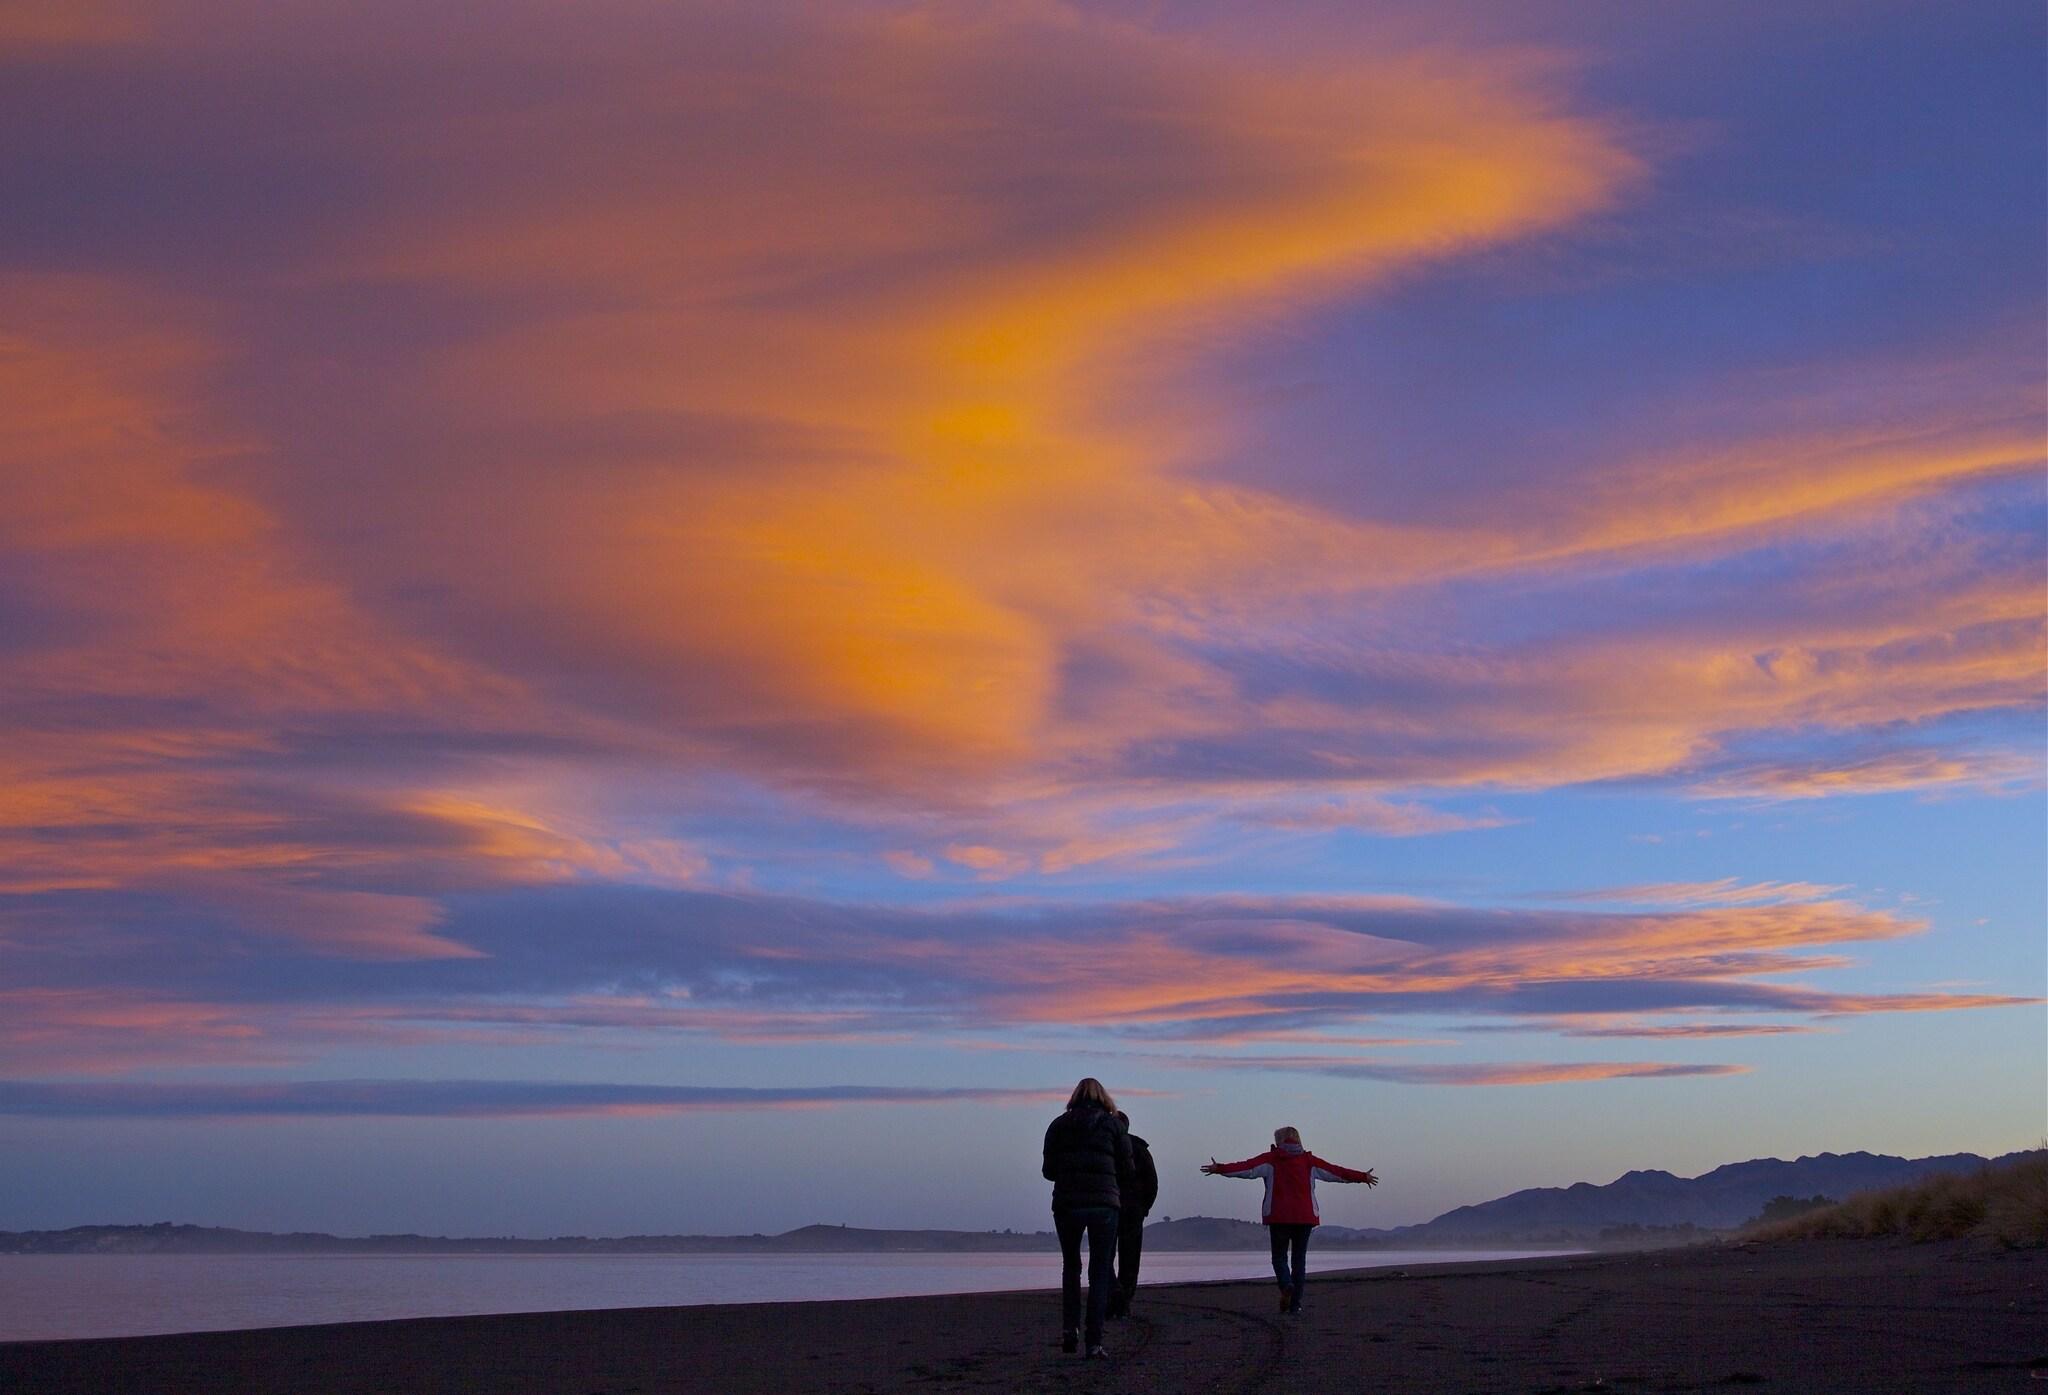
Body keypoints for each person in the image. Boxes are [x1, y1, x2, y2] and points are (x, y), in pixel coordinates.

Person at [1201, 1125, 1376, 1315]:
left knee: (1279, 1257)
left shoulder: (1271, 1159)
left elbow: (1245, 1168)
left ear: (1278, 1141)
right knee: (1299, 1260)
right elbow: (1336, 1172)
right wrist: (1362, 1177)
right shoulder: (1309, 1161)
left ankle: (1286, 1285)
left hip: (1279, 1217)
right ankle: (1296, 1305)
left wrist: (1220, 1168)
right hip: (1305, 1217)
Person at [1042, 1077, 1134, 1358]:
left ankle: (1070, 1330)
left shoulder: (1058, 1125)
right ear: (1103, 1098)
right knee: (1100, 1271)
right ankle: (1094, 1342)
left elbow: (1048, 1171)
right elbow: (1127, 1169)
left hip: (1067, 1203)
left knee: (1071, 1267)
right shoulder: (1114, 1126)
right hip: (1104, 1204)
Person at [1106, 1109, 1158, 1319]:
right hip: (1130, 1210)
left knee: (1106, 1257)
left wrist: (1144, 1208)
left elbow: (1151, 1183)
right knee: (1129, 1260)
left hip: (1114, 1209)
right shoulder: (1139, 1148)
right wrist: (1144, 1207)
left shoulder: (1106, 1147)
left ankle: (1116, 1298)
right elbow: (1152, 1183)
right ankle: (1122, 1300)